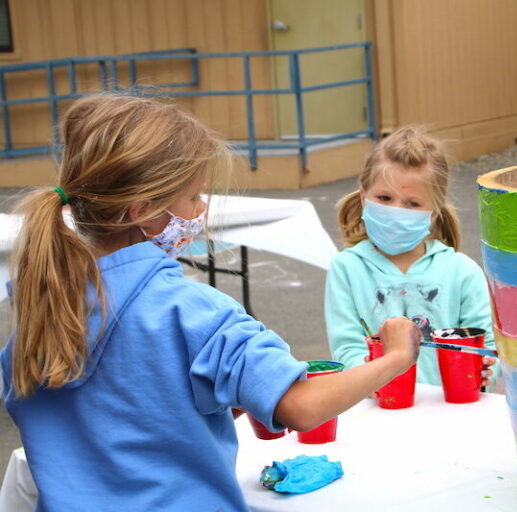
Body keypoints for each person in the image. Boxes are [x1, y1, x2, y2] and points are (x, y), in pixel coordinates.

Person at [0, 94, 421, 511]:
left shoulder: (42, 314)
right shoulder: (193, 311)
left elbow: (116, 427)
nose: (201, 210)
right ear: (142, 209)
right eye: (194, 197)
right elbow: (302, 407)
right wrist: (396, 357)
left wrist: (203, 410)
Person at [324, 126, 496, 387]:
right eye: (384, 197)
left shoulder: (462, 272)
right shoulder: (346, 269)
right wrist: (378, 385)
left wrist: (486, 372)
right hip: (377, 414)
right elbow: (347, 351)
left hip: (451, 414)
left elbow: (486, 348)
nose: (395, 211)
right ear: (363, 196)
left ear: (435, 211)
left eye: (412, 204)